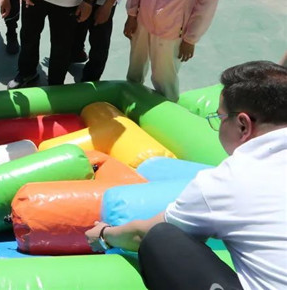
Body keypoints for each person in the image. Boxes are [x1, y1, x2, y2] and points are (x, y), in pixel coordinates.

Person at [85, 60, 287, 290]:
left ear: (243, 125)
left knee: (162, 238)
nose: (218, 126)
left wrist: (104, 234)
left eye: (220, 119)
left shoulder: (227, 181)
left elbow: (141, 235)